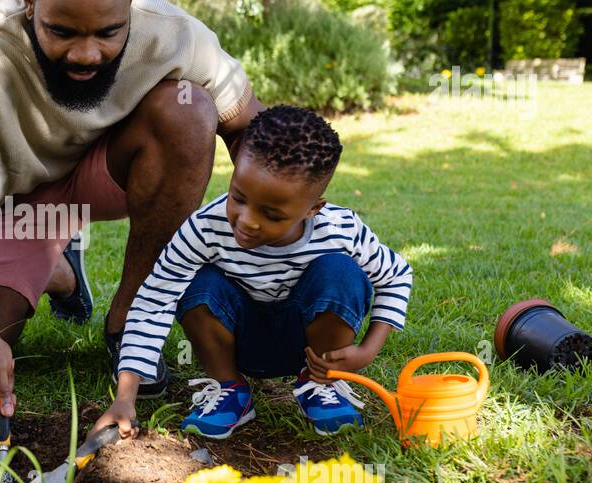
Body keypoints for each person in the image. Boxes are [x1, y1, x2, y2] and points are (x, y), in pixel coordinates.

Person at [0, 0, 264, 450]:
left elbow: (255, 134)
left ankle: (129, 320)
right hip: (16, 203)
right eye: (61, 31)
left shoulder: (174, 33)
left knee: (188, 108)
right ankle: (59, 269)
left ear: (130, 2)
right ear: (28, 1)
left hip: (110, 174)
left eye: (108, 32)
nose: (86, 53)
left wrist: (272, 240)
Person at [96, 104, 414, 440]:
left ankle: (319, 385)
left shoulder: (340, 229)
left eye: (272, 214)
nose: (246, 221)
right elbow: (155, 298)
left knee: (341, 272)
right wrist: (125, 397)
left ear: (312, 209)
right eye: (239, 197)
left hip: (310, 345)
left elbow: (397, 276)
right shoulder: (205, 228)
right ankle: (230, 390)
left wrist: (368, 351)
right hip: (236, 341)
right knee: (196, 283)